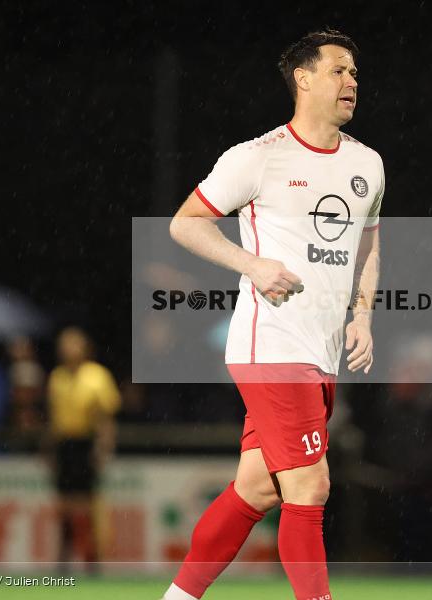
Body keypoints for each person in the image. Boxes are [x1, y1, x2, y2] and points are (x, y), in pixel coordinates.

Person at [163, 29, 383, 600]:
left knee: (257, 490)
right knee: (310, 487)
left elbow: (368, 246)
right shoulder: (257, 157)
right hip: (272, 346)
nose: (351, 81)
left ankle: (177, 597)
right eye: (338, 70)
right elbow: (185, 223)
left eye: (354, 72)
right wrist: (253, 265)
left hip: (320, 352)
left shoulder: (367, 164)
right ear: (303, 79)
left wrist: (362, 316)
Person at [45, 327, 120, 568]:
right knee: (64, 507)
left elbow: (105, 419)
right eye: (65, 344)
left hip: (85, 444)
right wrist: (49, 450)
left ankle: (92, 560)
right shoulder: (57, 377)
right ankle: (64, 560)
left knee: (87, 508)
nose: (68, 349)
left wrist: (103, 448)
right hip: (64, 445)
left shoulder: (97, 377)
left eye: (74, 344)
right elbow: (53, 419)